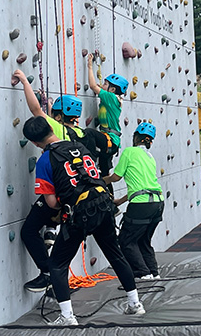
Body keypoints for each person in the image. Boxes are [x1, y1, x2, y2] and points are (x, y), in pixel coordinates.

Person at [23, 116, 145, 325]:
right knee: (115, 255)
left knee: (57, 264)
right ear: (51, 129)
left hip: (80, 213)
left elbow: (51, 203)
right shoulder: (79, 147)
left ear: (34, 143)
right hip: (104, 205)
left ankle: (67, 316)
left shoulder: (45, 160)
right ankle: (135, 304)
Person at [13, 70, 96, 292]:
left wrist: (23, 80)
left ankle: (48, 273)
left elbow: (35, 110)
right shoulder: (80, 134)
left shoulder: (55, 129)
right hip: (79, 193)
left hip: (58, 191)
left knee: (29, 230)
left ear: (56, 117)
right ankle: (51, 227)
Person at [103, 122, 164, 280]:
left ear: (136, 137)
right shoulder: (150, 157)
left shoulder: (129, 152)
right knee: (143, 240)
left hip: (141, 205)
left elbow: (115, 177)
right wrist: (119, 201)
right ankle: (153, 272)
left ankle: (142, 273)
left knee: (126, 240)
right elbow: (141, 188)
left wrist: (100, 180)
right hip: (157, 203)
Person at [86, 54, 128, 178]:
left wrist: (89, 66)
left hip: (109, 139)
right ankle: (109, 197)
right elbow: (99, 88)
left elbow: (93, 86)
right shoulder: (113, 98)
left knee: (89, 133)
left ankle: (90, 160)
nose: (102, 85)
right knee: (104, 175)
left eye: (105, 84)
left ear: (113, 89)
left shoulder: (110, 97)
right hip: (112, 143)